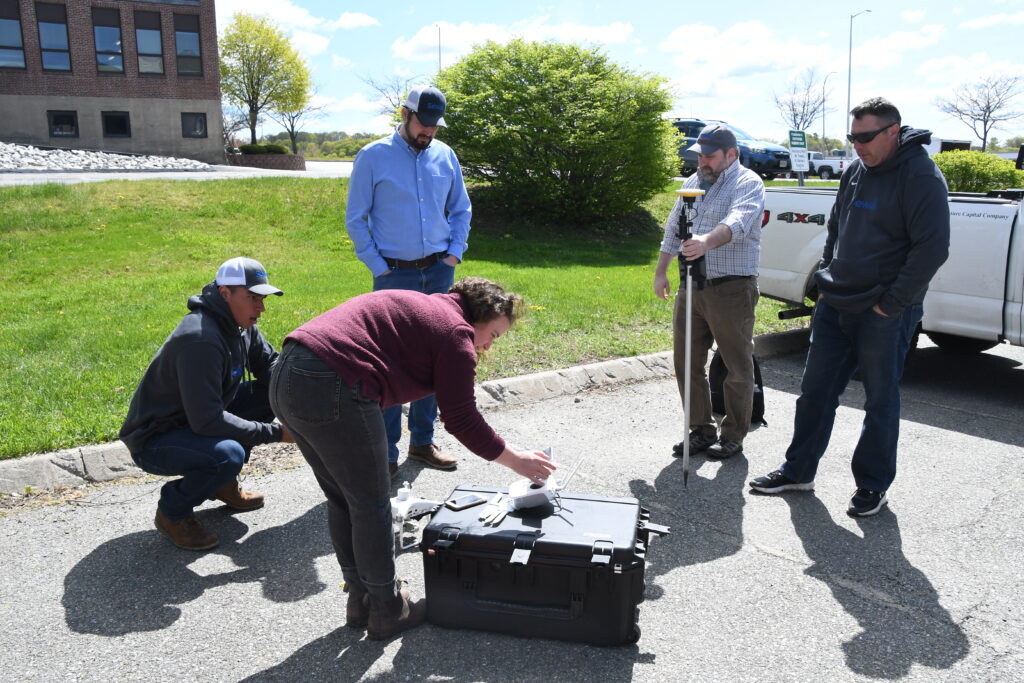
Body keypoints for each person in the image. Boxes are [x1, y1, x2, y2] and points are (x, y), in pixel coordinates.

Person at [269, 277, 556, 640]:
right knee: (371, 504)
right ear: (481, 316)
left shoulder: (430, 308)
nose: (488, 345)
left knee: (345, 498)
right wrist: (516, 460)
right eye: (494, 335)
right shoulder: (456, 334)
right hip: (334, 383)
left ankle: (361, 600)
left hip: (286, 374)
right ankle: (388, 609)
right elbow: (462, 419)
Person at [749, 97, 950, 517]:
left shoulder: (921, 176)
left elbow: (932, 249)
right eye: (852, 137)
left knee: (879, 400)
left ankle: (873, 485)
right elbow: (837, 225)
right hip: (835, 301)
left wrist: (891, 304)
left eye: (865, 137)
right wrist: (826, 276)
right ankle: (798, 470)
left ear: (893, 132)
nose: (857, 145)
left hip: (884, 312)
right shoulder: (857, 169)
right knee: (815, 393)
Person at [119, 257, 293, 550]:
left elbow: (270, 367)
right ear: (225, 293)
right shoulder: (200, 339)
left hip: (194, 419)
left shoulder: (240, 325)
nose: (260, 308)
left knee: (269, 393)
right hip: (156, 438)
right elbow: (207, 420)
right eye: (252, 298)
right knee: (227, 454)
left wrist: (304, 390)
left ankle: (221, 484)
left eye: (262, 299)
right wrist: (277, 434)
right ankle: (173, 512)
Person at [345, 84, 472, 479]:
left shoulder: (446, 156)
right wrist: (378, 266)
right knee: (389, 363)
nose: (429, 132)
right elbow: (356, 218)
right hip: (393, 274)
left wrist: (454, 253)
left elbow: (461, 209)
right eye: (423, 123)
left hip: (438, 270)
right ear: (405, 114)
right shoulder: (372, 157)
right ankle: (384, 452)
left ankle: (422, 441)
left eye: (435, 125)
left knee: (434, 357)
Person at [653, 123, 766, 460]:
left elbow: (739, 222)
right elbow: (673, 229)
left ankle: (733, 435)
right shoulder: (692, 183)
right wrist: (661, 271)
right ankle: (700, 429)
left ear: (732, 154)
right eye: (700, 155)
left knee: (736, 365)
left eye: (710, 156)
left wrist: (705, 241)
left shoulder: (748, 183)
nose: (703, 162)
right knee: (685, 361)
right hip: (692, 287)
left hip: (731, 289)